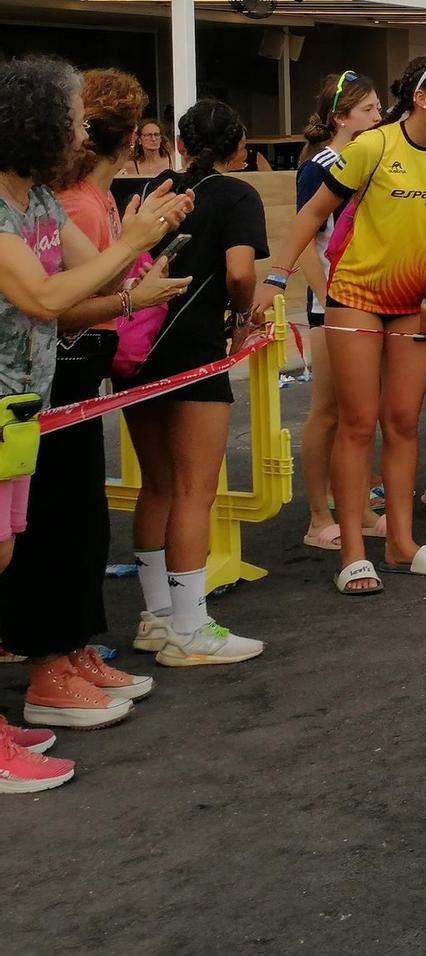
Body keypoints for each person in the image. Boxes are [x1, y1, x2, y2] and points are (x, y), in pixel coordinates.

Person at [0, 60, 191, 789]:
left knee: (8, 558)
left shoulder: (40, 200)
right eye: (72, 114)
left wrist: (138, 276)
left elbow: (85, 290)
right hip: (8, 410)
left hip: (26, 409)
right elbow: (43, 295)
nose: (85, 127)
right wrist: (129, 249)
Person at [256, 51, 426, 595]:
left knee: (403, 422)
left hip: (416, 301)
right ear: (422, 98)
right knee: (357, 422)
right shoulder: (373, 146)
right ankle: (354, 554)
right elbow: (311, 215)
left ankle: (401, 542)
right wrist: (277, 278)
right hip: (355, 295)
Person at [114, 100, 268, 666]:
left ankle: (156, 617)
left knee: (156, 484)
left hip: (135, 348)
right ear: (238, 148)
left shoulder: (151, 191)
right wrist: (242, 318)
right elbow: (239, 271)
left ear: (178, 143)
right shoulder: (237, 196)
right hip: (196, 351)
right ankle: (189, 626)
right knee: (194, 490)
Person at [293, 70, 382, 551]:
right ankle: (316, 515)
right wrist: (326, 298)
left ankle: (362, 506)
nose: (378, 117)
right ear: (341, 117)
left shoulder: (365, 157)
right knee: (327, 410)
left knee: (359, 412)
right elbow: (305, 237)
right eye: (368, 110)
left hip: (364, 298)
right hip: (331, 303)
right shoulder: (319, 165)